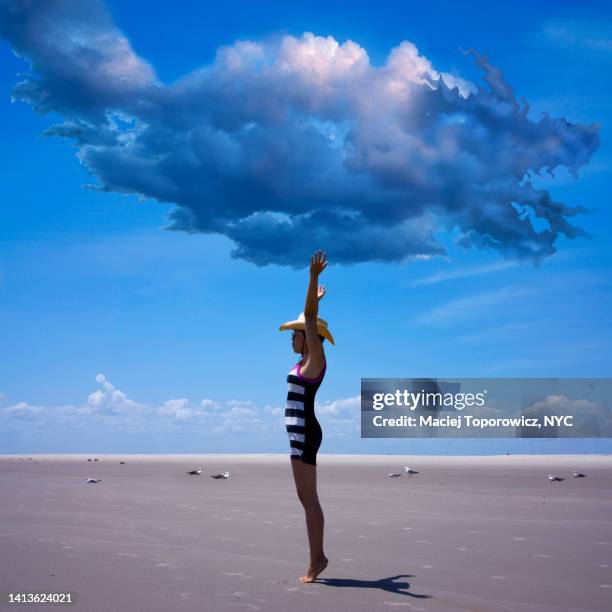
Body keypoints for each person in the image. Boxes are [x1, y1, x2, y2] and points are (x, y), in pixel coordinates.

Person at [279, 249, 335, 583]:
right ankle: (318, 557)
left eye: (295, 333)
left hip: (306, 434)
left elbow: (311, 321)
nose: (293, 337)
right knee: (304, 498)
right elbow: (310, 320)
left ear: (309, 339)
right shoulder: (303, 363)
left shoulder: (315, 361)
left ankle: (317, 560)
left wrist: (312, 278)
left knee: (309, 499)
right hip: (297, 434)